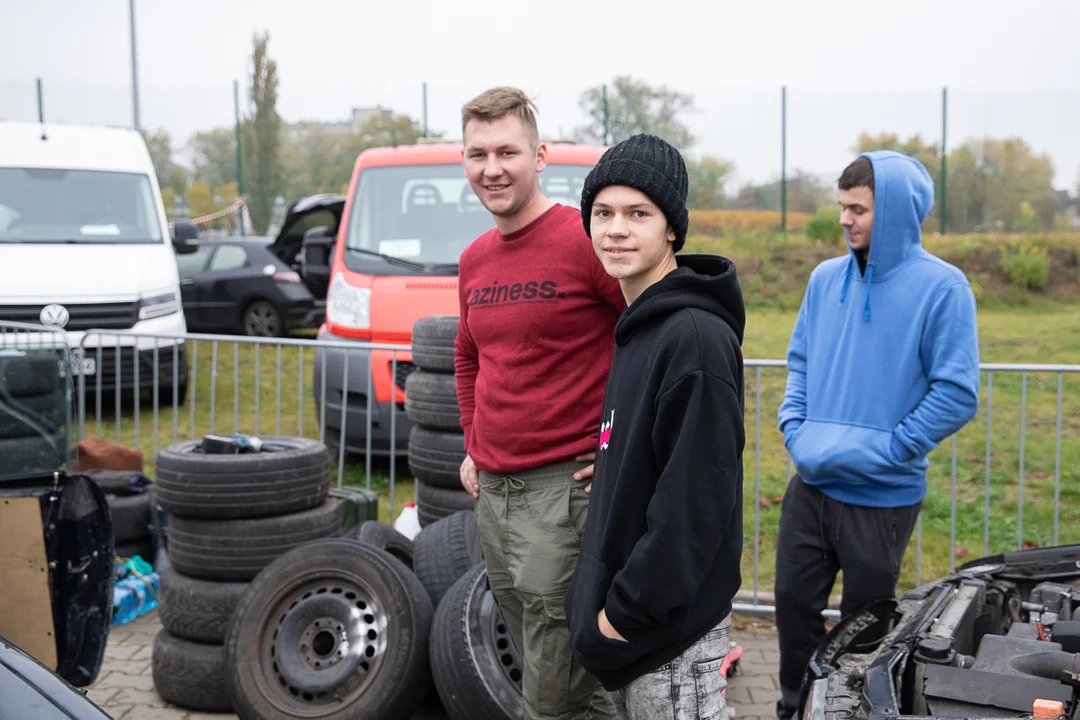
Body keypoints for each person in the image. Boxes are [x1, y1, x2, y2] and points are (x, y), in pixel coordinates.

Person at [773, 150, 981, 719]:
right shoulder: (824, 279)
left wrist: (893, 448)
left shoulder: (942, 288)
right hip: (811, 485)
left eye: (859, 209)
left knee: (866, 626)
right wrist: (795, 427)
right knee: (792, 607)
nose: (846, 220)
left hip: (881, 496)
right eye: (842, 207)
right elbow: (801, 363)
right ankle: (793, 705)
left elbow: (957, 392)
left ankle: (851, 711)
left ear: (893, 213)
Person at [453, 86, 624, 720]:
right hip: (492, 494)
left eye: (507, 152)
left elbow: (653, 341)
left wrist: (620, 445)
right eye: (478, 154)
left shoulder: (586, 241)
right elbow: (469, 355)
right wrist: (474, 443)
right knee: (556, 658)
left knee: (551, 686)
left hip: (564, 490)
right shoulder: (474, 260)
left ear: (540, 155)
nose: (492, 169)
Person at [564, 133, 746, 720]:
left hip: (667, 649)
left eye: (638, 213)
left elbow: (695, 508)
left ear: (672, 228)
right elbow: (662, 456)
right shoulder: (641, 324)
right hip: (637, 642)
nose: (616, 229)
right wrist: (621, 467)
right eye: (603, 213)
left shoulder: (694, 339)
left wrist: (620, 618)